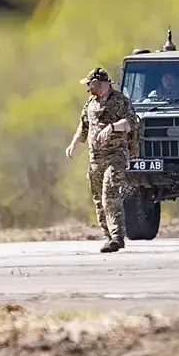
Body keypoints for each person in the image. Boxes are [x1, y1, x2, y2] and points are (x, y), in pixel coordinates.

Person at [65, 67, 140, 253]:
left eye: (90, 84)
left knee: (110, 192)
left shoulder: (119, 101)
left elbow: (132, 122)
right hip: (96, 160)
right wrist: (73, 145)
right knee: (99, 198)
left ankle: (117, 237)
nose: (88, 88)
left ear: (99, 83)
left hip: (116, 156)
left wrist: (113, 127)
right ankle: (107, 236)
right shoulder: (90, 103)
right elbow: (83, 128)